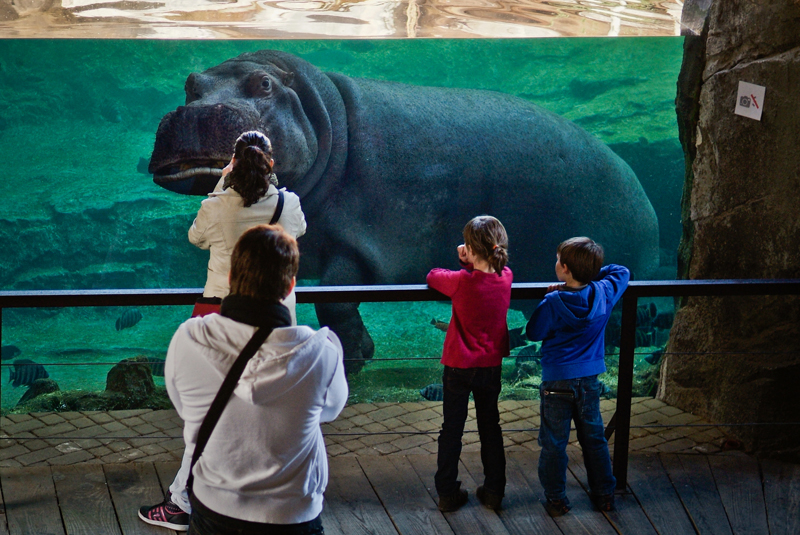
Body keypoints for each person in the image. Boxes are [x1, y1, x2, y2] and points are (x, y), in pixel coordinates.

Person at [139, 225, 347, 534]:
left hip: (215, 509)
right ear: (290, 287)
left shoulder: (189, 339)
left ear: (230, 278)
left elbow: (185, 407)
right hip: (293, 514)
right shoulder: (321, 351)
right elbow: (331, 410)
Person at [525, 237, 629, 516]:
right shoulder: (605, 292)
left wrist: (553, 295)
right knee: (594, 439)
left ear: (566, 269)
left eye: (559, 260)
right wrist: (593, 274)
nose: (556, 263)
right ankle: (605, 495)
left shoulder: (553, 301)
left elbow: (533, 333)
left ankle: (556, 499)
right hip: (590, 381)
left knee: (554, 443)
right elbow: (622, 271)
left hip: (556, 381)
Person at [426, 215, 512, 512]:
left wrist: (463, 262)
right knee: (491, 427)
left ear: (471, 250)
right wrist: (473, 258)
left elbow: (433, 276)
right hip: (490, 367)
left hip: (459, 368)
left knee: (452, 429)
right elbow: (489, 272)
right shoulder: (507, 277)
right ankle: (494, 491)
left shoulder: (461, 281)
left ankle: (447, 492)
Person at [188, 130, 306, 324]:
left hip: (223, 311)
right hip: (277, 316)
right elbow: (300, 229)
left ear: (233, 163)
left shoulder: (215, 207)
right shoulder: (290, 204)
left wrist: (221, 184)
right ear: (270, 164)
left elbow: (196, 238)